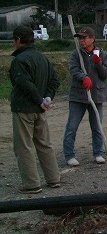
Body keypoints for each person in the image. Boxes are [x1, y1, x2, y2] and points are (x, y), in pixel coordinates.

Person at [9, 26, 61, 194]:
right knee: (44, 144)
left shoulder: (19, 60)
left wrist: (39, 100)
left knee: (24, 146)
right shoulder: (42, 58)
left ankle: (32, 184)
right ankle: (54, 179)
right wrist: (47, 97)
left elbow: (23, 83)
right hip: (41, 110)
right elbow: (54, 80)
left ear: (18, 40)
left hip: (24, 108)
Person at [63, 27, 107, 166]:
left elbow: (106, 74)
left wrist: (98, 64)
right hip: (78, 95)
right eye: (80, 38)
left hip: (97, 95)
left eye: (84, 38)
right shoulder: (76, 54)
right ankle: (69, 155)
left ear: (92, 38)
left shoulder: (102, 54)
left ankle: (98, 153)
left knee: (97, 127)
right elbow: (73, 69)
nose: (82, 40)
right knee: (72, 126)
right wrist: (83, 77)